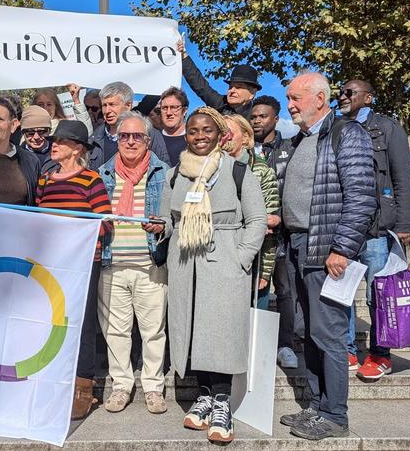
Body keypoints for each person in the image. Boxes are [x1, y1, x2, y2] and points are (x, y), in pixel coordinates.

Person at [160, 107, 266, 444]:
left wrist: (241, 258)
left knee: (221, 332)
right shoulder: (175, 175)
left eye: (207, 130)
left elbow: (258, 220)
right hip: (185, 264)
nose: (199, 136)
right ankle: (204, 395)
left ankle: (222, 403)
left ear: (220, 135)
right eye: (193, 131)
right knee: (193, 331)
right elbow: (168, 221)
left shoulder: (238, 171)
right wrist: (159, 228)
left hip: (224, 261)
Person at [279, 72, 376, 440]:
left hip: (326, 250)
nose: (290, 105)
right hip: (299, 246)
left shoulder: (346, 133)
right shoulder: (304, 139)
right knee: (308, 331)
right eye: (288, 98)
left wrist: (342, 249)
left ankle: (335, 416)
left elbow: (361, 197)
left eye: (295, 98)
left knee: (329, 333)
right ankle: (317, 406)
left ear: (320, 99)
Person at [35, 119, 112, 420]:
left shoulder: (92, 180)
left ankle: (83, 387)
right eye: (54, 140)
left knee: (82, 323)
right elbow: (37, 219)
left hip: (83, 265)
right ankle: (53, 382)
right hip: (51, 265)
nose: (53, 145)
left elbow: (105, 223)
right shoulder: (45, 180)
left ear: (78, 148)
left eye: (61, 141)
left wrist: (72, 234)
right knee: (51, 321)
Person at [338, 79, 410, 380]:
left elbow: (403, 177)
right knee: (342, 292)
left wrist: (404, 223)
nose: (342, 96)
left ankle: (380, 354)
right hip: (344, 226)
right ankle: (346, 349)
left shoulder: (387, 128)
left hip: (378, 228)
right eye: (340, 92)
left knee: (379, 295)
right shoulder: (336, 127)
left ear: (368, 98)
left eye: (350, 92)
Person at [96, 111, 170, 415]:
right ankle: (121, 386)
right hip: (112, 265)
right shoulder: (101, 174)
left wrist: (163, 226)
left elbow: (175, 218)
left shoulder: (166, 174)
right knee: (115, 332)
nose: (129, 141)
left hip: (150, 266)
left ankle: (153, 387)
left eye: (136, 136)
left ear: (148, 141)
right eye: (123, 136)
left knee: (153, 331)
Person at [250, 95, 299, 369]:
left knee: (285, 291)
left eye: (263, 116)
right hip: (253, 233)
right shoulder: (245, 150)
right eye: (254, 116)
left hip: (283, 234)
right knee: (255, 290)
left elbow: (294, 189)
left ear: (276, 119)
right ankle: (254, 344)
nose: (257, 121)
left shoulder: (290, 149)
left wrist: (279, 217)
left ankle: (285, 345)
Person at [223, 114, 280, 309]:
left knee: (251, 319)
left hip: (253, 263)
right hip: (220, 259)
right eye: (220, 132)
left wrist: (264, 270)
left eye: (229, 132)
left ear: (245, 137)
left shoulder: (261, 171)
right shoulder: (212, 168)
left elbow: (269, 226)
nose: (224, 137)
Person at [89, 82, 171, 169]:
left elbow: (164, 170)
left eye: (112, 104)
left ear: (128, 106)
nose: (107, 111)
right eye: (104, 105)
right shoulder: (94, 138)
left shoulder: (150, 134)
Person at [176, 39, 260, 119]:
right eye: (230, 87)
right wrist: (183, 55)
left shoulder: (257, 114)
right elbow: (200, 85)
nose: (232, 91)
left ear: (252, 93)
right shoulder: (220, 104)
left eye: (238, 87)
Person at [158, 87, 190, 167]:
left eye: (174, 107)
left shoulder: (194, 139)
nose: (169, 113)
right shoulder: (154, 138)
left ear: (184, 110)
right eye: (164, 108)